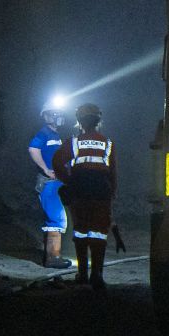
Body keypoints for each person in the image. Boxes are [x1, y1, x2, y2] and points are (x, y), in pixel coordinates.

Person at [52, 103, 118, 291]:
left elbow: (57, 162)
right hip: (101, 191)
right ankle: (97, 275)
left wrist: (68, 181)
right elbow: (113, 172)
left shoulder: (74, 142)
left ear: (79, 121)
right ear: (98, 121)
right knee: (99, 233)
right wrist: (112, 193)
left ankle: (82, 274)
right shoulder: (107, 143)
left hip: (80, 190)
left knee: (81, 231)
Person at [29, 98, 71, 269]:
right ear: (46, 116)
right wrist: (46, 169)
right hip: (48, 183)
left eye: (60, 113)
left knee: (56, 218)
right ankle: (53, 258)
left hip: (55, 183)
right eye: (55, 113)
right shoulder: (44, 133)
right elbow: (33, 149)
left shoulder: (55, 135)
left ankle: (51, 256)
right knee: (56, 219)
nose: (59, 116)